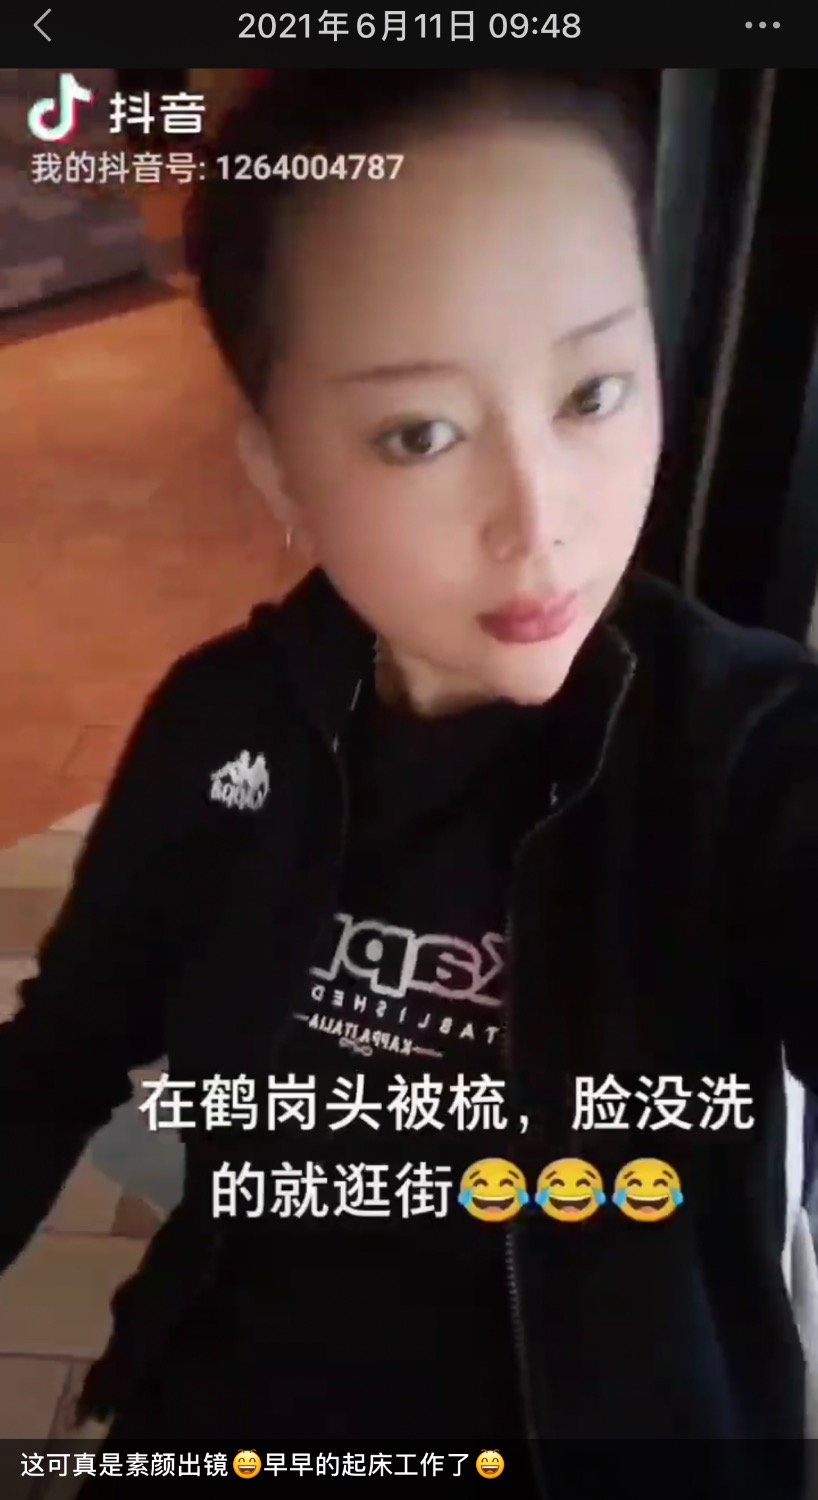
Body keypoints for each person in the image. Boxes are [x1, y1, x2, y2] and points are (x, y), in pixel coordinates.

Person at [2, 69, 818, 1500]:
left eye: (591, 393)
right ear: (277, 467)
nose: (541, 523)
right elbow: (59, 1053)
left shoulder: (745, 746)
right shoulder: (223, 722)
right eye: (420, 433)